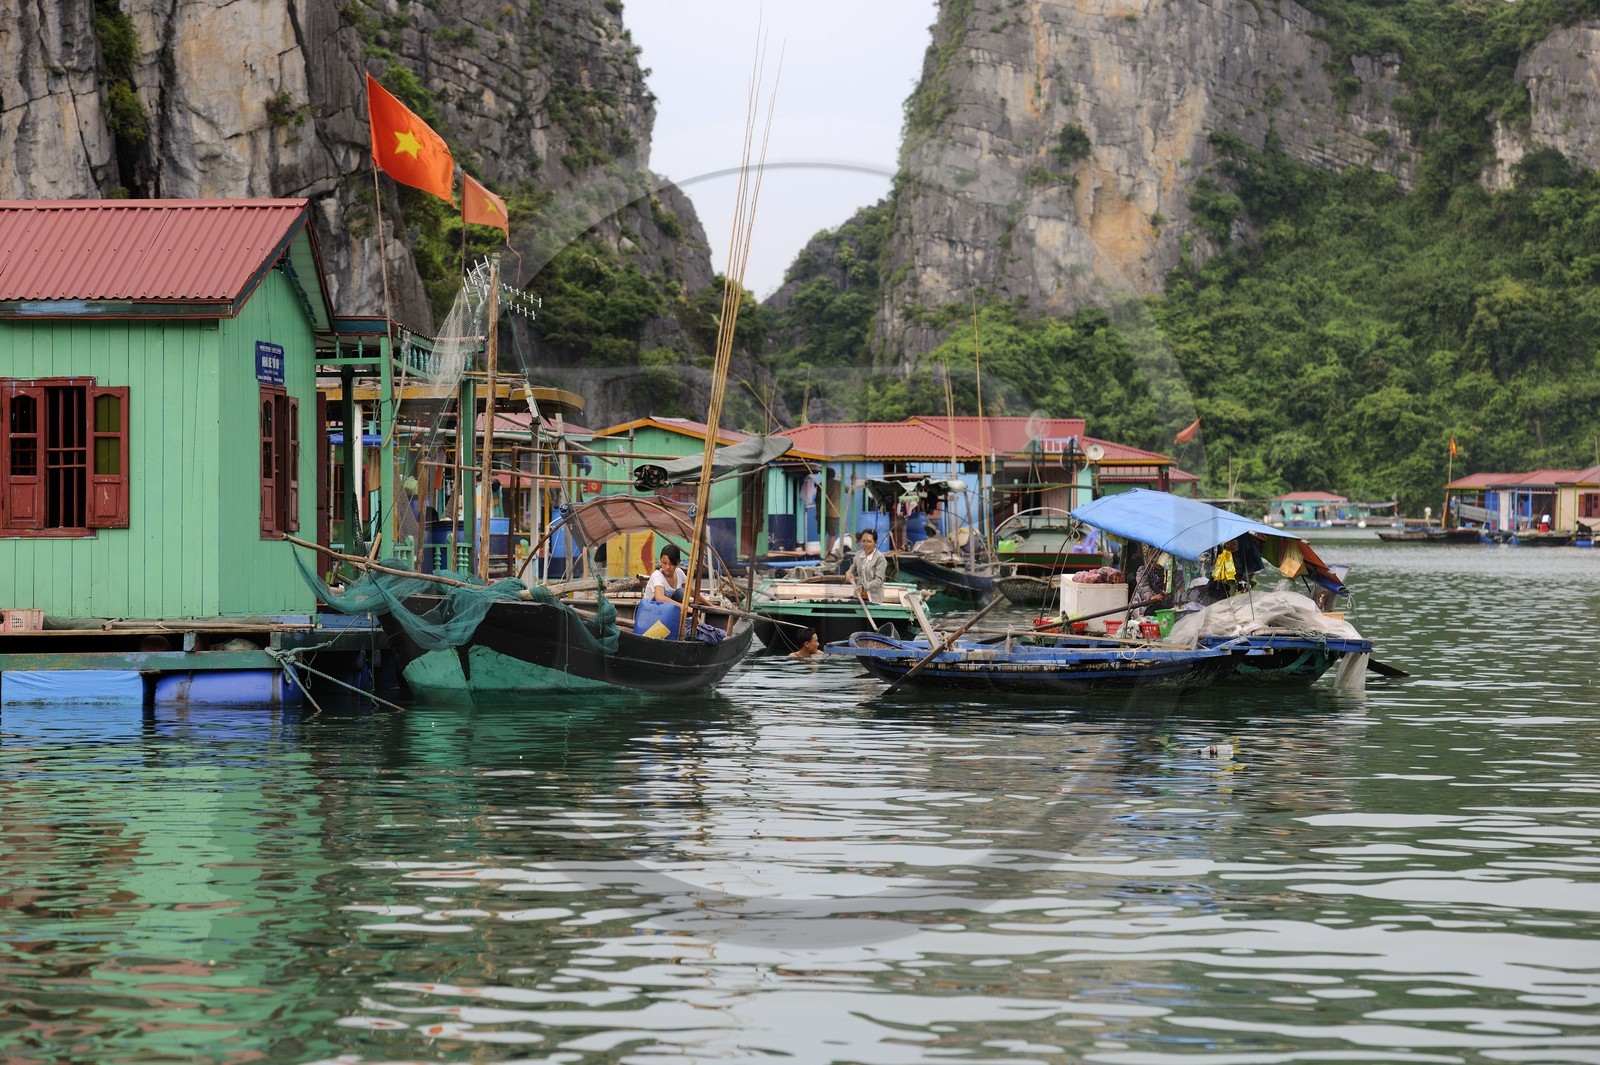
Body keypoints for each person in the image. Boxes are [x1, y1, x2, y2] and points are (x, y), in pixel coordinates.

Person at [849, 528, 887, 603]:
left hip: (874, 600)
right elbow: (852, 568)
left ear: (875, 542)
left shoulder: (880, 558)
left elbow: (879, 581)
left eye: (869, 541)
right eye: (863, 541)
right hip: (858, 597)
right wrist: (848, 573)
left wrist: (864, 587)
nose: (865, 544)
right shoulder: (858, 555)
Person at [1130, 544, 1167, 617]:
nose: (1154, 561)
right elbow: (1143, 585)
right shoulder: (1143, 570)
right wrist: (1152, 596)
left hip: (1162, 607)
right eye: (1152, 558)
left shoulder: (1169, 573)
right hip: (1142, 607)